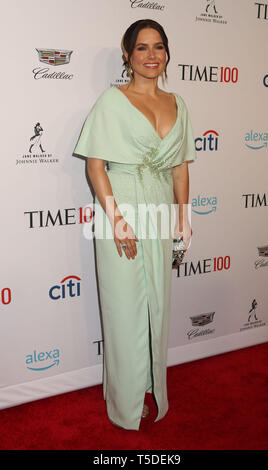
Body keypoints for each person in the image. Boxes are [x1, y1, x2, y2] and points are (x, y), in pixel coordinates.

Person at [74, 19, 197, 430]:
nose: (151, 56)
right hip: (120, 210)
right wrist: (118, 221)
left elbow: (180, 169)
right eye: (141, 48)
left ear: (167, 53)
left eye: (158, 47)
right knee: (125, 310)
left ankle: (152, 389)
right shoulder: (112, 101)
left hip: (161, 210)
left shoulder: (178, 103)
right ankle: (124, 405)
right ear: (127, 55)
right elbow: (96, 166)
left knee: (157, 307)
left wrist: (184, 218)